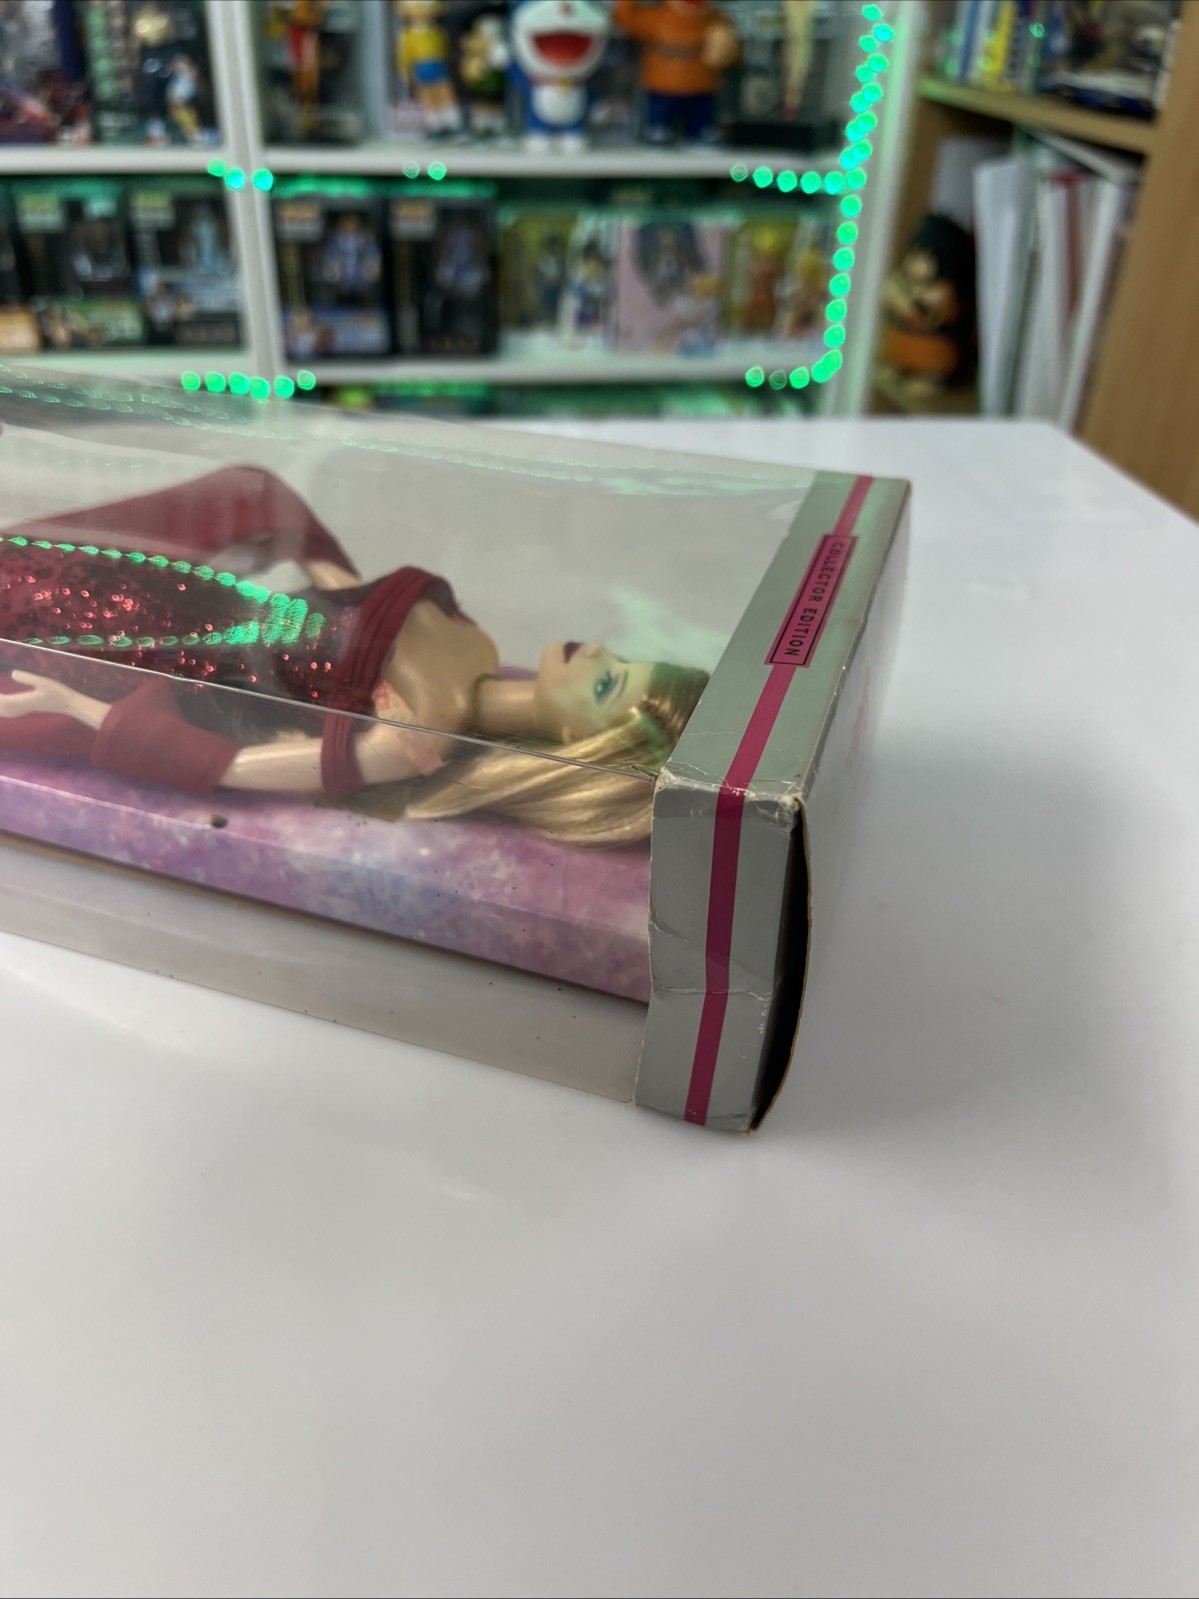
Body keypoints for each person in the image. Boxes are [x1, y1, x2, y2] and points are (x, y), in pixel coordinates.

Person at [0, 465, 707, 846]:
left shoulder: (418, 738)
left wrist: (80, 709)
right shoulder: (475, 639)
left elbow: (230, 764)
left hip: (163, 657)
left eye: (607, 683)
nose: (596, 651)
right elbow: (352, 601)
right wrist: (290, 537)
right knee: (29, 562)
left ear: (580, 742)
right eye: (620, 657)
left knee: (23, 591)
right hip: (196, 592)